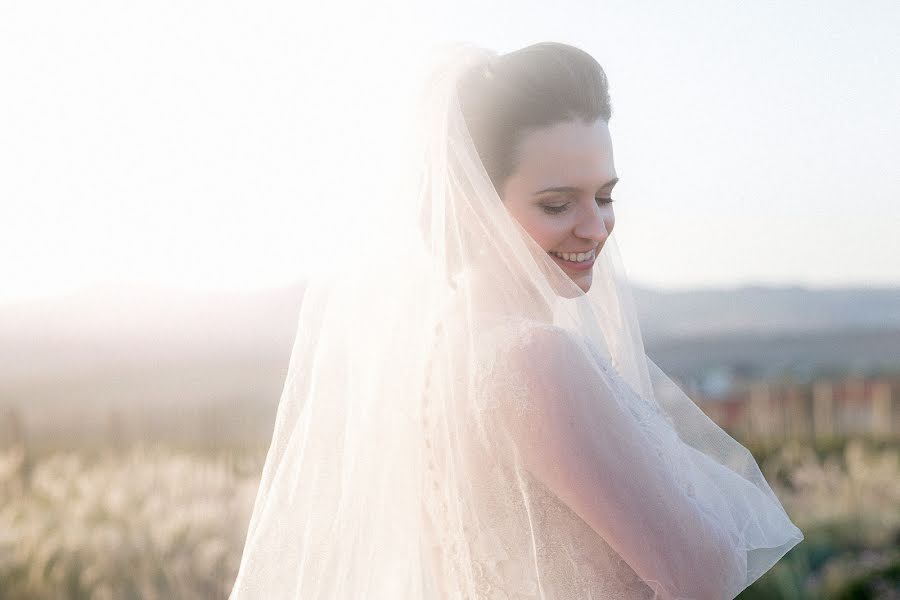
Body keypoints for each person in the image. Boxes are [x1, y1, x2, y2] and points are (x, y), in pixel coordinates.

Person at [229, 42, 804, 599]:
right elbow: (699, 576)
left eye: (604, 197)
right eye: (557, 204)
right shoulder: (535, 359)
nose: (595, 227)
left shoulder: (440, 347)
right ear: (475, 204)